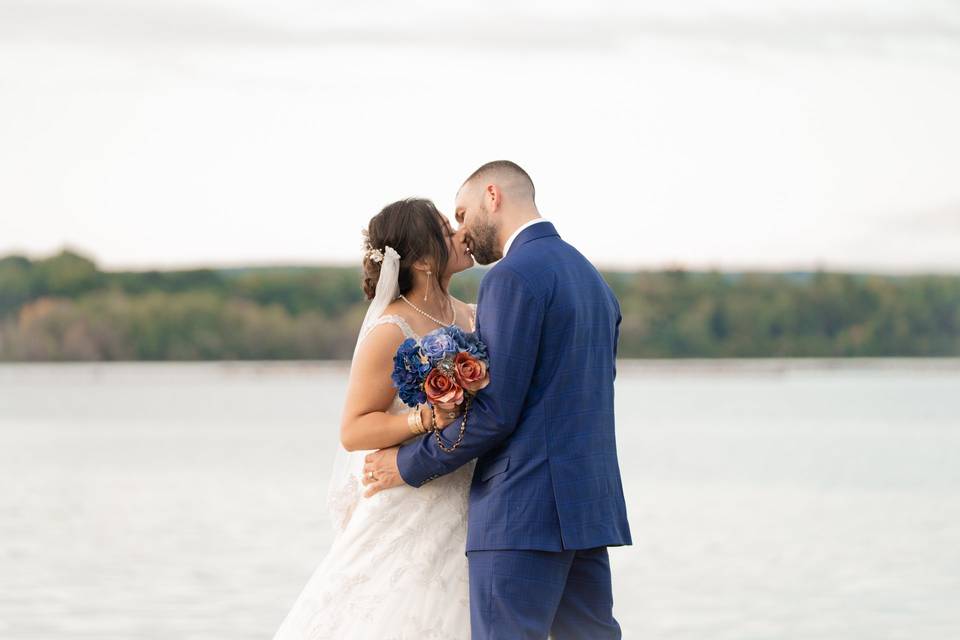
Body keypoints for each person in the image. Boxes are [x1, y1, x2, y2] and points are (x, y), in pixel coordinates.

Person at [362, 160, 632, 639]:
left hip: (522, 513)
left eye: (463, 215)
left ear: (493, 196)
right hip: (588, 509)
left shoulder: (511, 277)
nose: (462, 232)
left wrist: (405, 465)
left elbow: (495, 412)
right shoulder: (593, 280)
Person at [272, 197, 477, 639]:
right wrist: (424, 419)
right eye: (445, 231)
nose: (461, 235)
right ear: (422, 259)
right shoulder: (391, 329)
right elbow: (354, 429)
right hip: (412, 500)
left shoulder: (475, 316)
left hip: (472, 501)